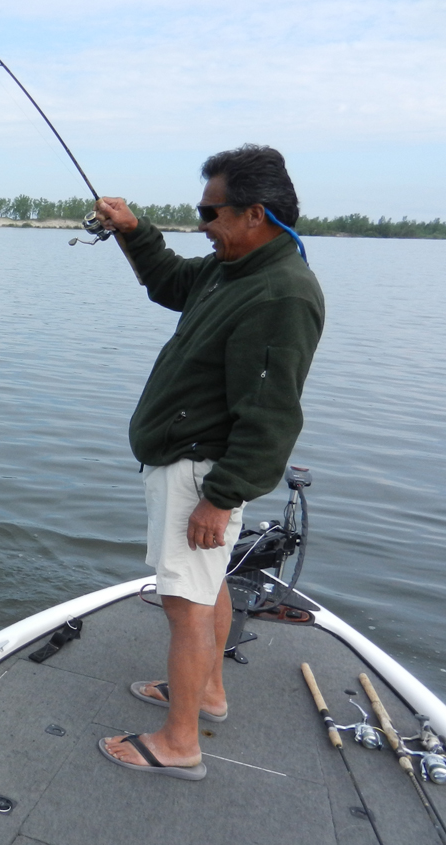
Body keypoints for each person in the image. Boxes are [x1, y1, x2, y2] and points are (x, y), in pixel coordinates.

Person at [93, 144, 325, 780]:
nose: (202, 224)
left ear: (255, 214)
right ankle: (210, 693)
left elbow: (272, 415)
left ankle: (179, 743)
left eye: (210, 212)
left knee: (185, 604)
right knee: (209, 584)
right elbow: (171, 282)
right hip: (194, 466)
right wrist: (134, 232)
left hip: (201, 471)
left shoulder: (281, 292)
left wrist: (220, 497)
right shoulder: (234, 267)